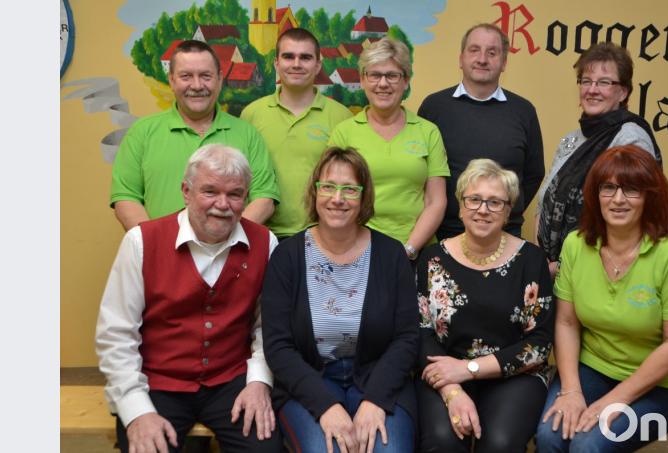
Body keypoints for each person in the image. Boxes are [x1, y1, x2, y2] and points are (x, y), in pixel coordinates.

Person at [96, 144, 283, 453]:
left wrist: (259, 382)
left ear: (246, 197)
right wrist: (137, 411)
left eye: (235, 194)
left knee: (266, 448)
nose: (222, 205)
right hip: (159, 383)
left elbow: (268, 326)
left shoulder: (265, 242)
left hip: (231, 381)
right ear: (186, 191)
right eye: (210, 191)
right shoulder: (141, 241)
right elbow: (116, 334)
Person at [536, 145, 668, 452]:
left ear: (650, 197)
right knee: (550, 436)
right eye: (608, 188)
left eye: (631, 190)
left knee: (589, 445)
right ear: (595, 194)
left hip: (660, 385)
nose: (617, 199)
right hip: (592, 369)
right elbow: (567, 322)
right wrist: (571, 390)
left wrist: (614, 400)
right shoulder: (575, 244)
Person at [262, 147, 419, 453]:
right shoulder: (287, 256)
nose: (337, 198)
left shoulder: (391, 255)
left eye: (350, 189)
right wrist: (325, 406)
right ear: (314, 192)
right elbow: (278, 346)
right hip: (310, 382)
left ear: (364, 197)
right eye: (328, 187)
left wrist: (375, 401)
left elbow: (408, 338)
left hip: (379, 381)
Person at [416, 159, 555, 452]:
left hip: (515, 375)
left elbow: (540, 344)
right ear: (461, 204)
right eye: (475, 199)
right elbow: (420, 333)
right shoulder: (432, 259)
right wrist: (452, 389)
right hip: (445, 372)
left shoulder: (531, 261)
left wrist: (469, 368)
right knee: (443, 440)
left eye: (495, 202)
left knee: (499, 443)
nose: (483, 209)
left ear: (508, 211)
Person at [111, 39, 280, 231]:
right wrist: (156, 246)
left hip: (230, 257)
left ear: (219, 79)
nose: (197, 85)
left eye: (206, 76)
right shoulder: (141, 132)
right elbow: (126, 198)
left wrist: (227, 243)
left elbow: (264, 199)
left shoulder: (248, 134)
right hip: (162, 257)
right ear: (172, 80)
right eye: (186, 76)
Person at [536, 42, 662, 275]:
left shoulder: (630, 139)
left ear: (623, 92)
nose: (592, 89)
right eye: (586, 81)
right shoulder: (571, 140)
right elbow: (545, 202)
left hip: (601, 275)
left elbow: (628, 218)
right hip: (558, 274)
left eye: (604, 82)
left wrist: (558, 267)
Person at [418, 23, 544, 240]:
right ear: (461, 58)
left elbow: (533, 174)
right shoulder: (434, 107)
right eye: (474, 50)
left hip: (505, 234)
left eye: (492, 53)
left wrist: (502, 210)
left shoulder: (523, 111)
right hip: (444, 234)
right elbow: (420, 171)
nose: (482, 59)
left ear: (504, 62)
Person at [328, 37, 450, 261]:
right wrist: (358, 249)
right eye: (374, 75)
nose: (383, 84)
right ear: (363, 80)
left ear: (406, 81)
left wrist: (409, 250)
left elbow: (436, 201)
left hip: (417, 251)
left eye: (392, 75)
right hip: (357, 252)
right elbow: (335, 197)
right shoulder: (343, 133)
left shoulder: (428, 131)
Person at [241, 28, 353, 239]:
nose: (296, 64)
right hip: (261, 235)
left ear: (318, 65)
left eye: (305, 57)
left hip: (322, 238)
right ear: (276, 63)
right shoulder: (251, 114)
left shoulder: (341, 117)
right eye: (288, 56)